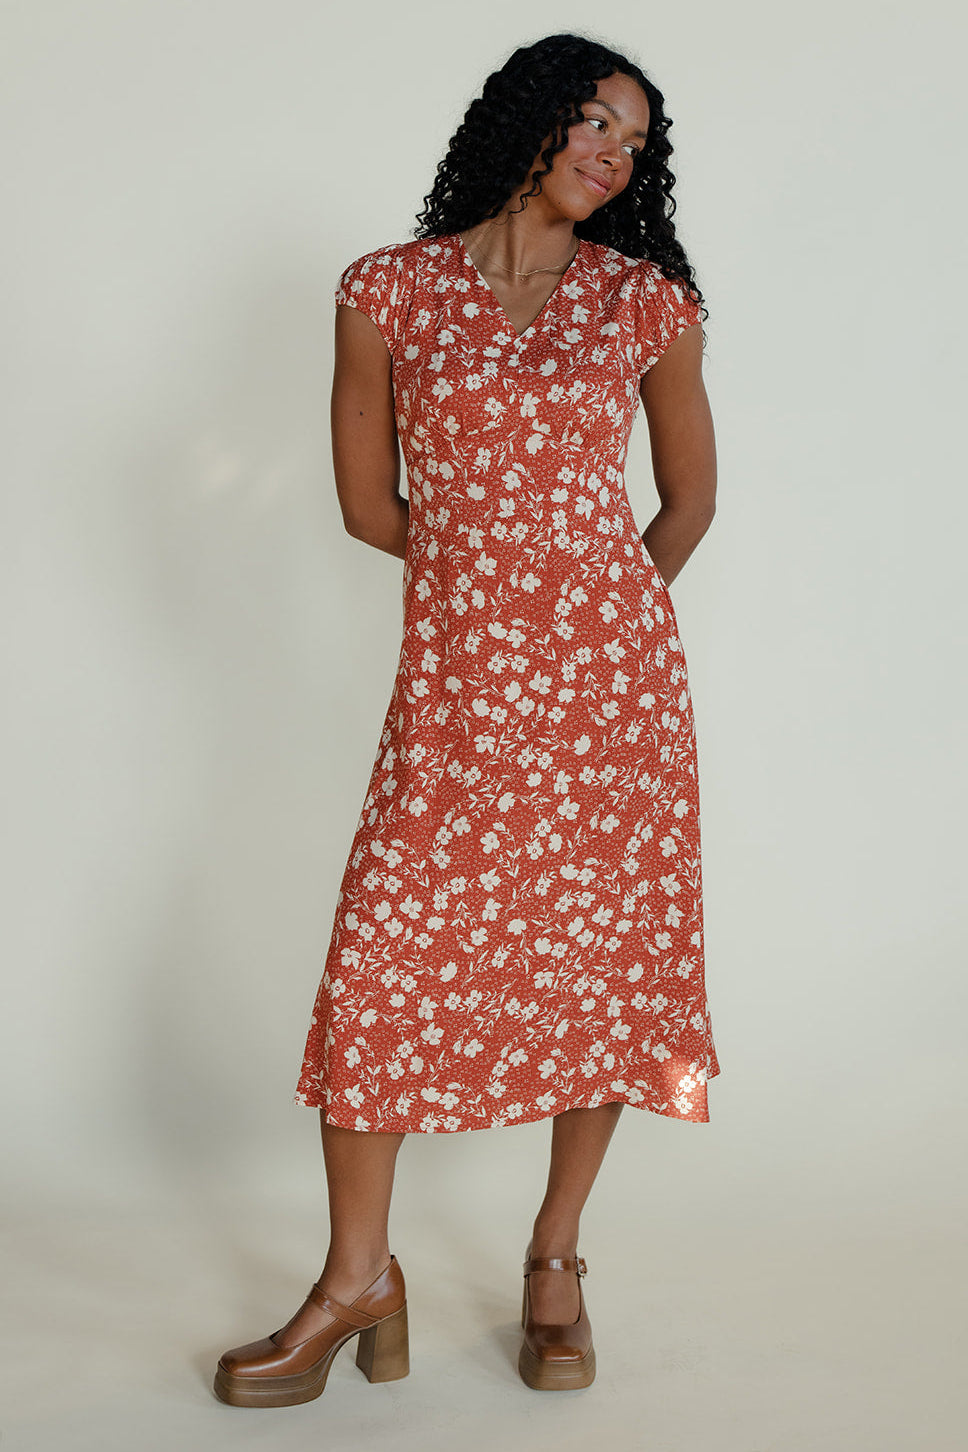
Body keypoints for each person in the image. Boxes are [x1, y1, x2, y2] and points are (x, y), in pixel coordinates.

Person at [214, 30, 720, 1407]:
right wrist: (487, 589)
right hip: (454, 698)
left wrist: (590, 615)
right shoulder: (387, 291)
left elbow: (687, 503)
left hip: (612, 702)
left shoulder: (645, 303)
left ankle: (554, 1257)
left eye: (635, 144)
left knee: (601, 968)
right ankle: (357, 1281)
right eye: (595, 122)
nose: (612, 157)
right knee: (381, 964)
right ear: (529, 115)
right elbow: (367, 505)